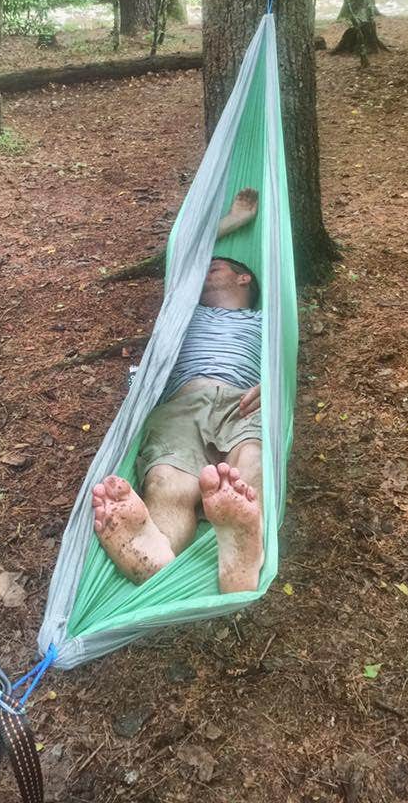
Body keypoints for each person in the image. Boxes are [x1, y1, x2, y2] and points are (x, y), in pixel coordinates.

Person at [92, 189, 264, 594]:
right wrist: (234, 219)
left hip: (242, 400)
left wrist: (270, 387)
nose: (205, 270)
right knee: (169, 482)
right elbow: (182, 249)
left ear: (245, 278)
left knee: (249, 464)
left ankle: (242, 545)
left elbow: (286, 366)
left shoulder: (266, 319)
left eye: (216, 267)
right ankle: (156, 550)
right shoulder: (184, 310)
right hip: (182, 401)